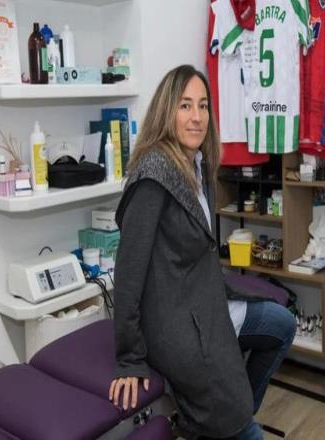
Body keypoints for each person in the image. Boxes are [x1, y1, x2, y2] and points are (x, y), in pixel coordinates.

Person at [108, 64, 296, 439]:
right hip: (177, 323)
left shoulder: (197, 165)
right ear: (166, 111)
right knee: (245, 428)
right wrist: (130, 357)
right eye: (185, 106)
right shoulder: (153, 175)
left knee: (282, 325)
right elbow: (127, 274)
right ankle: (233, 422)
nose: (197, 117)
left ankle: (229, 418)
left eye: (203, 106)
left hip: (208, 301)